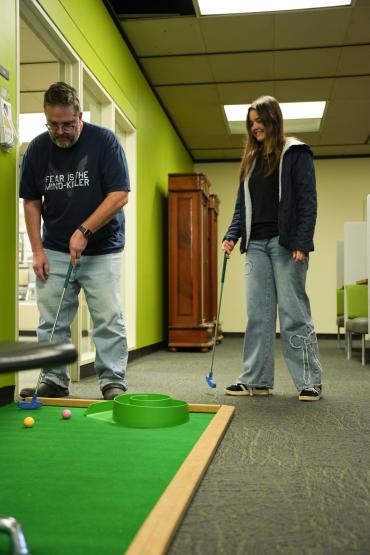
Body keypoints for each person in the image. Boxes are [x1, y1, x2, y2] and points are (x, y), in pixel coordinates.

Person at [19, 82, 130, 401]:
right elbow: (31, 201)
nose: (61, 131)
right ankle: (53, 378)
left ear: (80, 116)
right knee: (51, 318)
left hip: (102, 248)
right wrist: (37, 251)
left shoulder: (104, 142)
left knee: (108, 316)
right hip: (53, 247)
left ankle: (112, 380)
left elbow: (119, 195)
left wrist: (84, 231)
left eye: (68, 124)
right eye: (53, 125)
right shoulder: (38, 149)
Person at [222, 95, 322, 401]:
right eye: (251, 123)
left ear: (273, 120)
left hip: (286, 244)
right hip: (256, 247)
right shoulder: (250, 162)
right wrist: (232, 234)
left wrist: (302, 243)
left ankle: (309, 381)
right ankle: (257, 380)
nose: (255, 128)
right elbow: (243, 207)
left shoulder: (295, 153)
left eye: (259, 121)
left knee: (294, 313)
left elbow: (307, 202)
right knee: (258, 315)